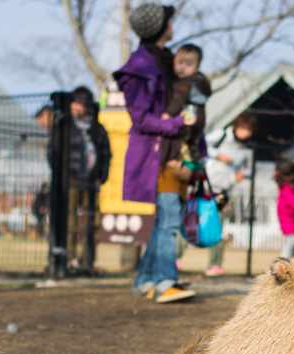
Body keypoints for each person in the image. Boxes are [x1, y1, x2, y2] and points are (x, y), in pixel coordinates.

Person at [113, 2, 196, 303]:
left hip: (167, 154)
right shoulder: (141, 69)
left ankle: (145, 280)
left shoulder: (165, 61)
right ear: (160, 27)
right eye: (168, 20)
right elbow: (141, 118)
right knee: (170, 219)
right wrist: (176, 123)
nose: (172, 24)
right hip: (155, 157)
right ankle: (164, 282)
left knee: (164, 221)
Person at [58, 86, 111, 274]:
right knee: (70, 222)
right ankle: (69, 259)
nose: (75, 107)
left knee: (92, 223)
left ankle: (88, 261)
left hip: (91, 183)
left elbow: (106, 152)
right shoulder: (65, 126)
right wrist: (61, 175)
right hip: (71, 181)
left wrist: (102, 175)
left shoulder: (97, 128)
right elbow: (54, 152)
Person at [203, 111, 257, 277]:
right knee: (195, 221)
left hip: (226, 190)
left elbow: (248, 169)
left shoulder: (247, 148)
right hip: (207, 185)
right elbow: (202, 145)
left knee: (218, 227)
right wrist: (218, 155)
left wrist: (242, 174)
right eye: (242, 128)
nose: (245, 133)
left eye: (248, 130)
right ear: (235, 127)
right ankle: (176, 258)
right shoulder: (220, 135)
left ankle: (214, 264)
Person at [166, 43, 210, 171]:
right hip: (199, 120)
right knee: (193, 144)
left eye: (188, 65)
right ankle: (196, 166)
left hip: (189, 118)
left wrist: (167, 114)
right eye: (180, 62)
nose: (182, 68)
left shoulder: (186, 83)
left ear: (196, 68)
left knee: (183, 143)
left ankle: (188, 166)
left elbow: (178, 101)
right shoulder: (201, 81)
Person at [274, 157, 294, 259]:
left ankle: (291, 262)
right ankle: (283, 260)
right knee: (292, 240)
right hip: (286, 217)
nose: (288, 178)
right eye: (286, 176)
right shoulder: (284, 187)